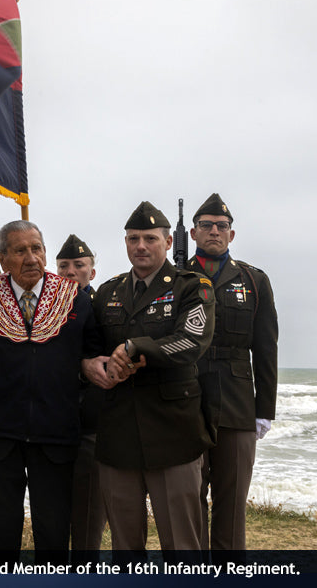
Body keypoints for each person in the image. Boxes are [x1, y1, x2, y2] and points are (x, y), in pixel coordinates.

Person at [0, 221, 102, 567]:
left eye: (37, 248)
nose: (31, 258)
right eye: (20, 250)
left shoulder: (76, 301)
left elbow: (92, 361)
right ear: (2, 257)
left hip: (56, 437)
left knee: (54, 535)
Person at [85, 201, 216, 559]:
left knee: (182, 545)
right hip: (118, 432)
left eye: (149, 238)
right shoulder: (109, 292)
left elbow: (191, 342)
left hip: (173, 433)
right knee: (125, 546)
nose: (140, 246)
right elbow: (91, 347)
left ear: (168, 241)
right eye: (133, 238)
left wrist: (133, 347)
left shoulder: (193, 287)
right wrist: (89, 366)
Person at [187, 193, 278, 554]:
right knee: (189, 500)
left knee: (232, 503)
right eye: (206, 226)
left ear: (231, 235)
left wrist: (264, 410)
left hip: (238, 405)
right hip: (187, 401)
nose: (214, 231)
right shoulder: (177, 277)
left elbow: (266, 348)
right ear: (193, 233)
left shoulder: (254, 280)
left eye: (221, 226)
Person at [55, 235, 106, 567]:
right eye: (63, 266)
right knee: (54, 510)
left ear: (92, 272)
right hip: (52, 423)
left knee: (89, 512)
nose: (71, 271)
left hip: (90, 422)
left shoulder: (104, 307)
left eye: (79, 265)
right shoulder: (45, 308)